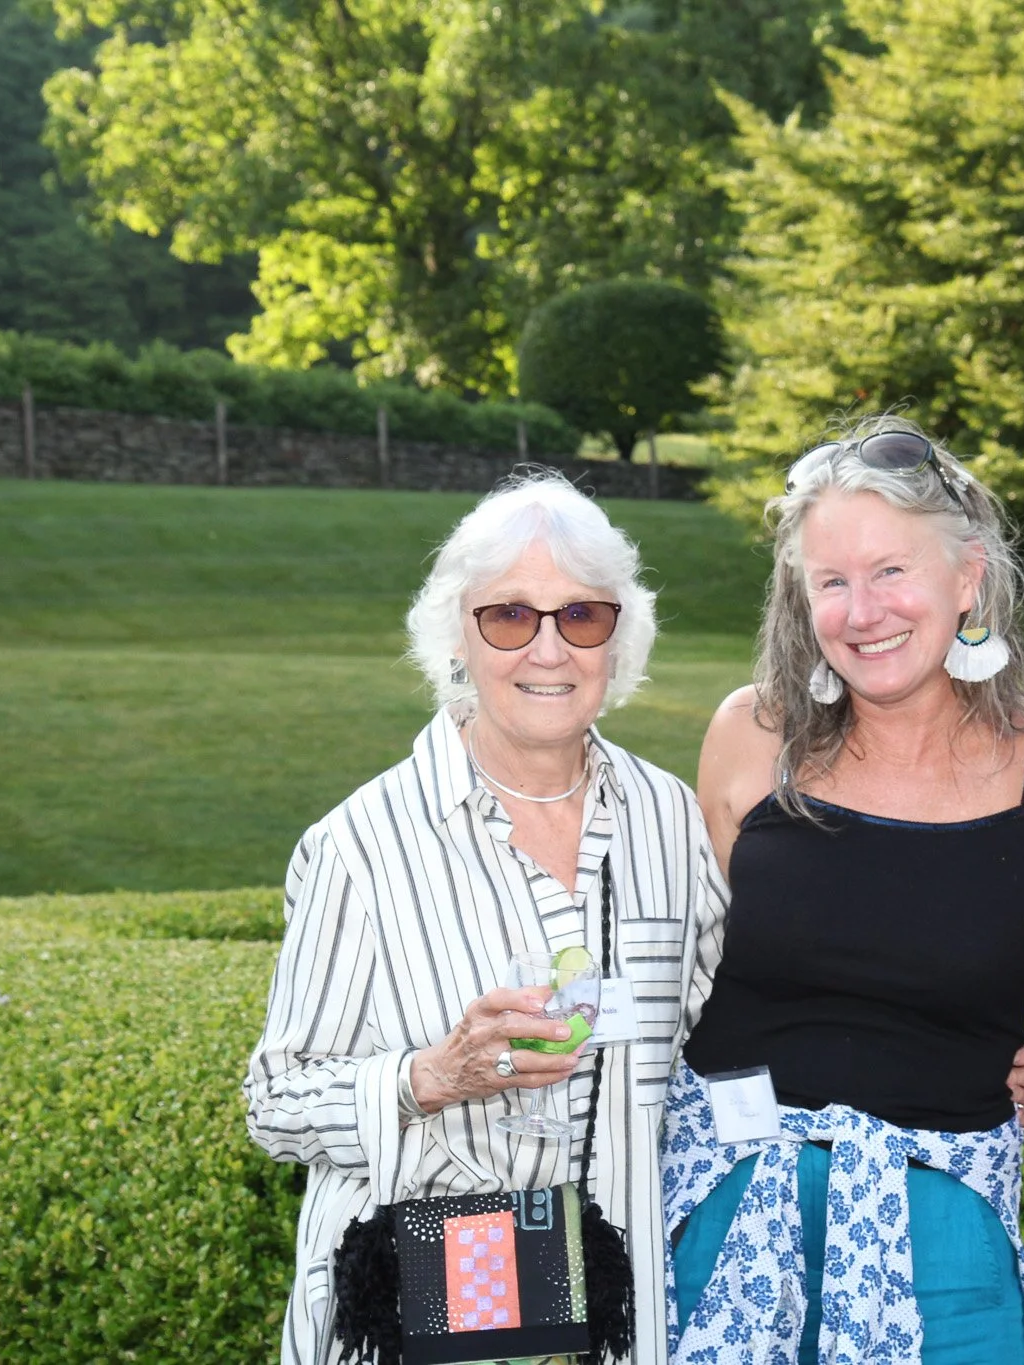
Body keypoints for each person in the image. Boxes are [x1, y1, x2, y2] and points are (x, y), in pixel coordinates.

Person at [245, 472, 728, 1365]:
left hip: (619, 1318)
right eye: (510, 615)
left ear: (619, 640)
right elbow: (275, 1099)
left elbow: (727, 1033)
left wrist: (938, 1056)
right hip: (427, 1310)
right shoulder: (360, 845)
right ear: (456, 639)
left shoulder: (670, 818)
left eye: (582, 615)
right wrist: (434, 1074)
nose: (549, 648)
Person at [662, 417, 1024, 1364]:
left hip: (949, 1218)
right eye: (833, 581)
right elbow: (687, 960)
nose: (863, 611)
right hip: (731, 1208)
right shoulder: (751, 735)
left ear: (968, 578)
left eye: (892, 570)